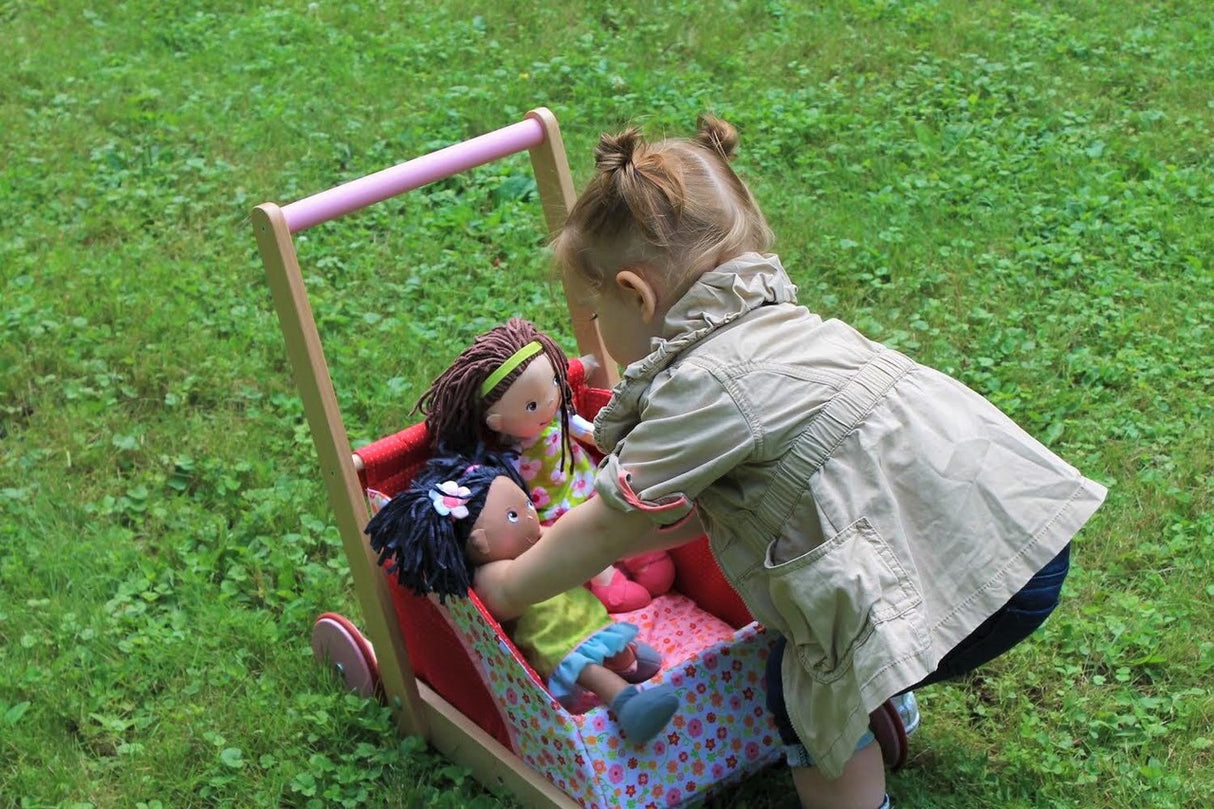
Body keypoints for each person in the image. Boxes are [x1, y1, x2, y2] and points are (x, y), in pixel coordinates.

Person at [471, 115, 1107, 809]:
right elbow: (703, 509)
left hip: (973, 576)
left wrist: (508, 588)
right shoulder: (776, 324)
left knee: (799, 681)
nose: (596, 331)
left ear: (636, 293)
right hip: (1013, 526)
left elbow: (607, 527)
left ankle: (859, 752)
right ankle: (877, 700)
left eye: (595, 312)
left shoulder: (698, 389)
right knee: (828, 629)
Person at [363, 447, 679, 743]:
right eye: (514, 516)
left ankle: (627, 664)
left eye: (527, 505)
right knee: (589, 668)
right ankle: (626, 704)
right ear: (480, 543)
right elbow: (523, 582)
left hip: (581, 614)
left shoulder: (524, 545)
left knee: (609, 643)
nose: (530, 517)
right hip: (553, 637)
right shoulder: (491, 576)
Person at [413, 317, 675, 611]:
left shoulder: (561, 420)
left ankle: (643, 556)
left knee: (620, 521)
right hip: (553, 517)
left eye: (553, 383)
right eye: (531, 406)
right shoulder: (505, 456)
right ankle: (605, 581)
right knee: (575, 550)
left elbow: (593, 434)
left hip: (595, 488)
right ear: (496, 422)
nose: (551, 402)